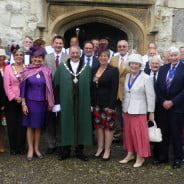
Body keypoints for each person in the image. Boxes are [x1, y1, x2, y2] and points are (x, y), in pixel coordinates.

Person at [54, 46, 93, 161]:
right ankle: (65, 150)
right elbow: (56, 85)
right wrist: (57, 103)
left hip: (83, 101)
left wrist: (91, 103)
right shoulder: (62, 67)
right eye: (73, 53)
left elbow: (91, 87)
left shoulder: (86, 68)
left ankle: (79, 150)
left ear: (80, 54)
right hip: (66, 101)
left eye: (77, 53)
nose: (75, 55)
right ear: (69, 53)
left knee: (81, 124)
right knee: (66, 123)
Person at [119, 54, 155, 167]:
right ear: (129, 64)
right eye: (132, 63)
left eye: (136, 63)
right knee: (128, 133)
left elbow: (151, 96)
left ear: (140, 65)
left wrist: (151, 112)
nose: (134, 66)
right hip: (127, 109)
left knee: (139, 134)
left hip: (139, 110)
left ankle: (140, 157)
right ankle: (130, 154)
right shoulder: (128, 76)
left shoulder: (146, 77)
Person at [20, 45, 54, 161]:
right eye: (35, 57)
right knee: (30, 126)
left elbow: (50, 88)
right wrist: (23, 104)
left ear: (42, 58)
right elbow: (23, 89)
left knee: (38, 127)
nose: (37, 59)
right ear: (31, 58)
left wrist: (50, 102)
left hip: (42, 102)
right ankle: (30, 149)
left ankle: (36, 148)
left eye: (40, 57)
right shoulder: (26, 71)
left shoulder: (46, 70)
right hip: (30, 102)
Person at [154, 47, 184, 169]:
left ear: (179, 56)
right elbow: (158, 87)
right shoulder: (163, 69)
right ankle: (163, 157)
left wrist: (172, 102)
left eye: (175, 55)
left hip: (177, 107)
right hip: (163, 107)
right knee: (164, 133)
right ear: (168, 57)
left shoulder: (183, 69)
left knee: (176, 134)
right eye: (171, 55)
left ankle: (178, 159)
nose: (173, 57)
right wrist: (163, 101)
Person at [91, 50, 119, 160]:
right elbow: (92, 86)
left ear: (109, 57)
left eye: (105, 56)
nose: (103, 58)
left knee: (108, 128)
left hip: (108, 104)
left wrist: (112, 105)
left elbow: (114, 88)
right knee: (98, 127)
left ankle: (107, 150)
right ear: (98, 57)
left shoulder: (113, 70)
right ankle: (100, 148)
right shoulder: (94, 69)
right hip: (97, 103)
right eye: (101, 56)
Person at [44, 35, 69, 155]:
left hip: (63, 92)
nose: (58, 45)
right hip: (49, 91)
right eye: (56, 43)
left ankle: (60, 143)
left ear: (63, 45)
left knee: (61, 118)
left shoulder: (68, 57)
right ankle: (51, 144)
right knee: (50, 119)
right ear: (53, 44)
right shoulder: (46, 58)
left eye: (60, 43)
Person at [4, 49, 26, 155]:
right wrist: (14, 97)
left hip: (24, 100)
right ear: (14, 56)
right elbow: (6, 85)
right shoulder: (8, 68)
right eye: (17, 55)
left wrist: (23, 98)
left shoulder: (27, 68)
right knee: (12, 124)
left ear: (24, 56)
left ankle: (21, 147)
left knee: (22, 124)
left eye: (21, 55)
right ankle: (13, 147)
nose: (19, 56)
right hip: (12, 100)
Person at [110, 40, 130, 142]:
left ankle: (128, 135)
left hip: (128, 91)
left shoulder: (132, 59)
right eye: (120, 46)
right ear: (117, 48)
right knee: (116, 115)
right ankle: (118, 135)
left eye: (124, 46)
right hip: (116, 91)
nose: (122, 48)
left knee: (128, 115)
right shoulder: (113, 59)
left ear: (127, 47)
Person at [0, 49, 8, 153]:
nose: (1, 58)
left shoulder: (8, 67)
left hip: (6, 97)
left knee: (3, 124)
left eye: (2, 56)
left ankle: (2, 144)